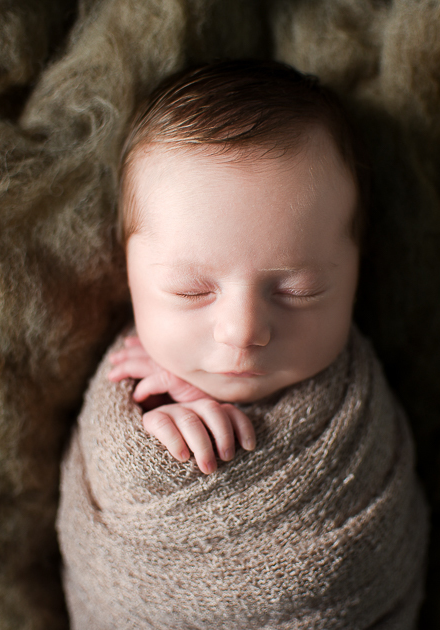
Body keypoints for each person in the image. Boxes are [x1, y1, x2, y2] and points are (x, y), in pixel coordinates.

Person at [106, 59, 366, 474]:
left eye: (299, 291)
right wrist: (150, 443)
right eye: (190, 291)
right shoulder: (131, 386)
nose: (243, 332)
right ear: (128, 273)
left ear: (356, 273)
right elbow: (110, 475)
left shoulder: (360, 403)